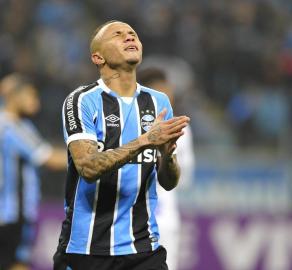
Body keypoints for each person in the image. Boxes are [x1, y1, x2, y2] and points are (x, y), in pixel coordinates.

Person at [53, 20, 190, 270]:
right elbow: (88, 167)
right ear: (98, 57)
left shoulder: (159, 102)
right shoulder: (81, 101)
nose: (129, 37)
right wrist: (146, 140)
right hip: (87, 249)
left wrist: (167, 156)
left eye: (132, 34)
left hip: (144, 248)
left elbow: (168, 183)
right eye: (118, 35)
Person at [0, 73, 67, 270]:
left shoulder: (21, 125)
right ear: (14, 96)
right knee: (16, 263)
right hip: (11, 213)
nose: (35, 101)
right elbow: (49, 159)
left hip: (16, 212)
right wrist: (93, 158)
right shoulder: (10, 127)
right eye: (31, 95)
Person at [138, 67, 195, 270]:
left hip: (156, 217)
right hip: (159, 217)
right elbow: (185, 178)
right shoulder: (181, 129)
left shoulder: (182, 128)